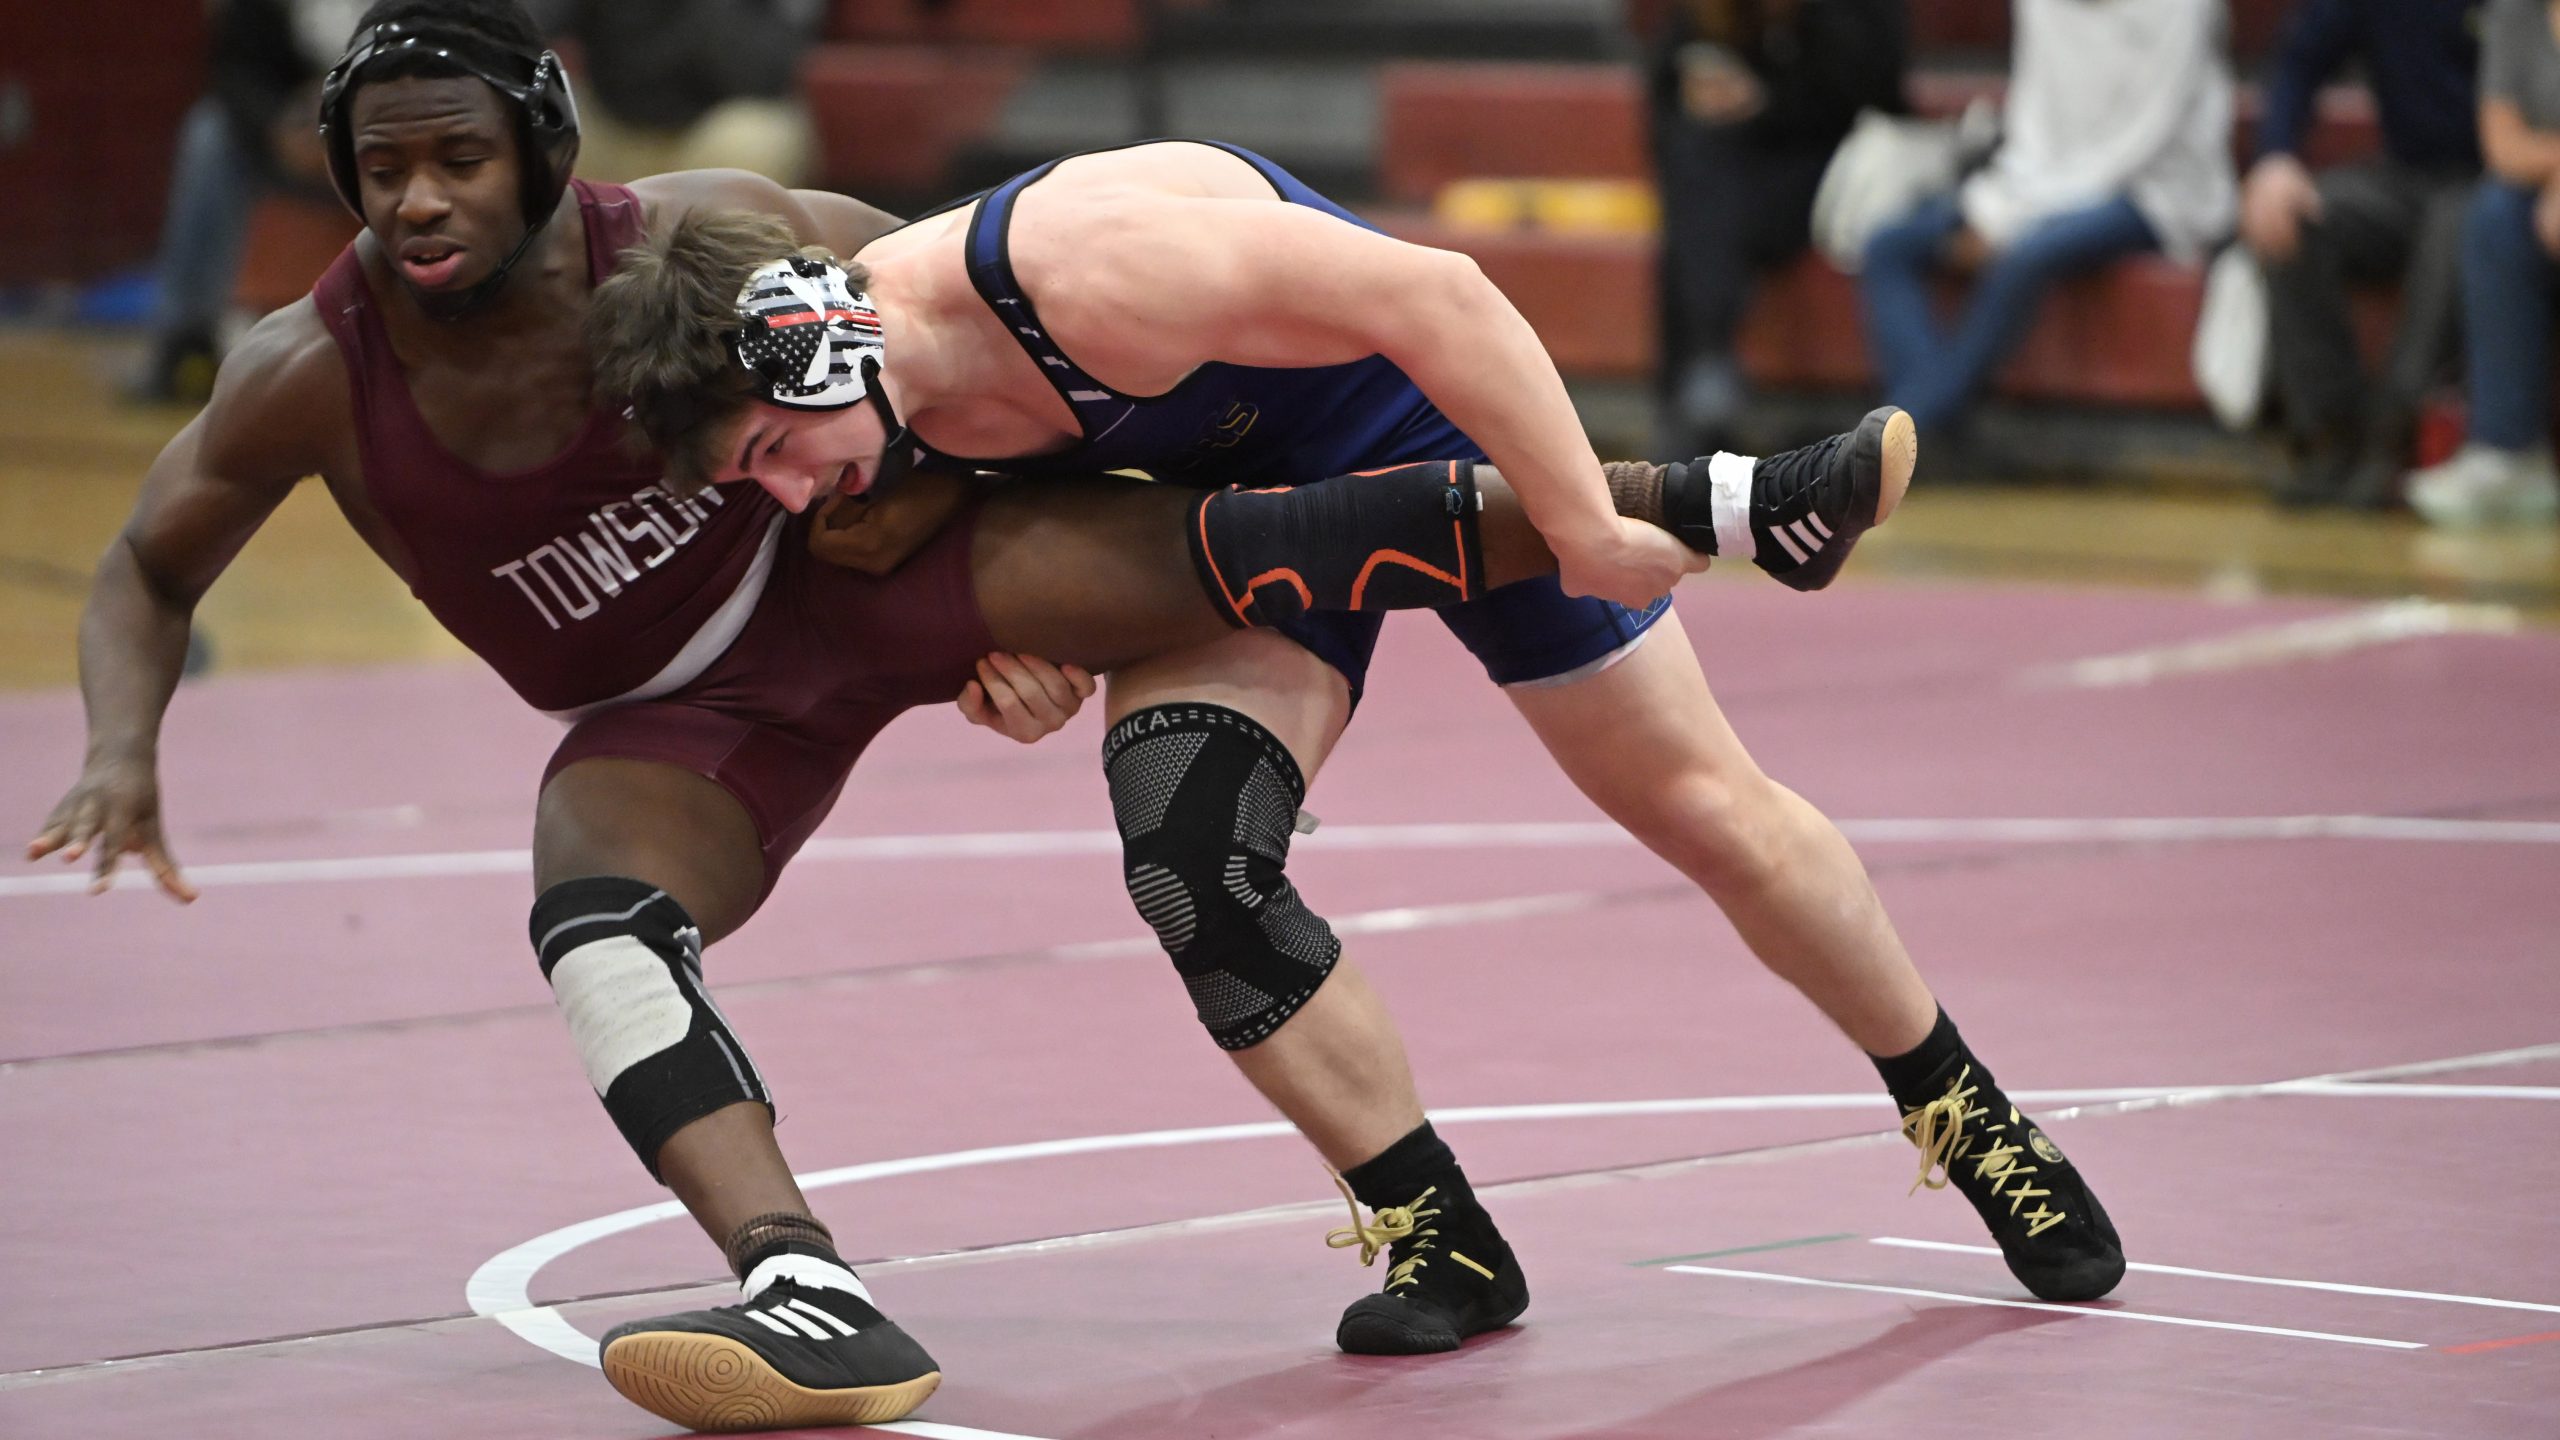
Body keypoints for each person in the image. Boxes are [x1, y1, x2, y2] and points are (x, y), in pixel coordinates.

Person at [23, 3, 1904, 1430]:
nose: (418, 201)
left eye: (453, 160)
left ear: (535, 146)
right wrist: (120, 744)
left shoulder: (701, 235)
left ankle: (1718, 502)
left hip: (886, 559)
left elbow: (914, 315)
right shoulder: (306, 373)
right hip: (690, 712)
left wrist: (1003, 555)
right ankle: (806, 1291)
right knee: (593, 926)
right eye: (380, 172)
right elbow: (142, 564)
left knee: (1211, 556)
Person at [593, 130, 2121, 1420]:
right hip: (1244, 520)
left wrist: (1578, 518)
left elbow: (1437, 291)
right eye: (755, 484)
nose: (787, 497)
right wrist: (1026, 666)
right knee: (1196, 859)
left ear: (820, 338)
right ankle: (1439, 1235)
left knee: (1704, 808)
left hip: (1428, 424)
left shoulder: (1078, 269)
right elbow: (1027, 573)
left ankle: (1978, 1125)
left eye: (773, 455)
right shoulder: (879, 418)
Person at [1857, 0, 2236, 440]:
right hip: (2037, 188)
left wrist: (2009, 222)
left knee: (2025, 257)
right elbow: (2036, 129)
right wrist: (2003, 211)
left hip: (2158, 192)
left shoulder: (2183, 8)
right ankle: (1922, 426)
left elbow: (2140, 140)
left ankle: (1905, 432)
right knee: (1888, 245)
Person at [2241, 0, 2484, 510]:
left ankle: (2390, 438)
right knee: (2299, 218)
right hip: (2406, 176)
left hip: (2495, 182)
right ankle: (2330, 431)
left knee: (2455, 228)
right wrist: (2275, 157)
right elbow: (2300, 59)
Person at [1642, 0, 1909, 455]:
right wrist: (1704, 95)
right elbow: (1665, 92)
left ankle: (1702, 370)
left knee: (1701, 210)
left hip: (1834, 170)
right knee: (1696, 170)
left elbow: (1873, 93)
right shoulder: (1711, 13)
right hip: (1736, 177)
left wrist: (1764, 102)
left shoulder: (1853, 15)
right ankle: (1705, 374)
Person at [127, 0, 369, 403]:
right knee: (208, 136)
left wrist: (355, 129)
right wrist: (276, 130)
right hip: (289, 140)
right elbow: (234, 71)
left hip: (383, 132)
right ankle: (185, 335)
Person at [2405, 0, 2560, 527]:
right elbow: (2503, 146)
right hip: (2542, 199)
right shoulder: (2515, 14)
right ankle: (2508, 451)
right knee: (2492, 218)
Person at [528, 0, 823, 188]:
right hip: (611, 128)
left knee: (760, 135)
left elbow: (765, 75)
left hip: (716, 134)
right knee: (543, 121)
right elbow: (528, 23)